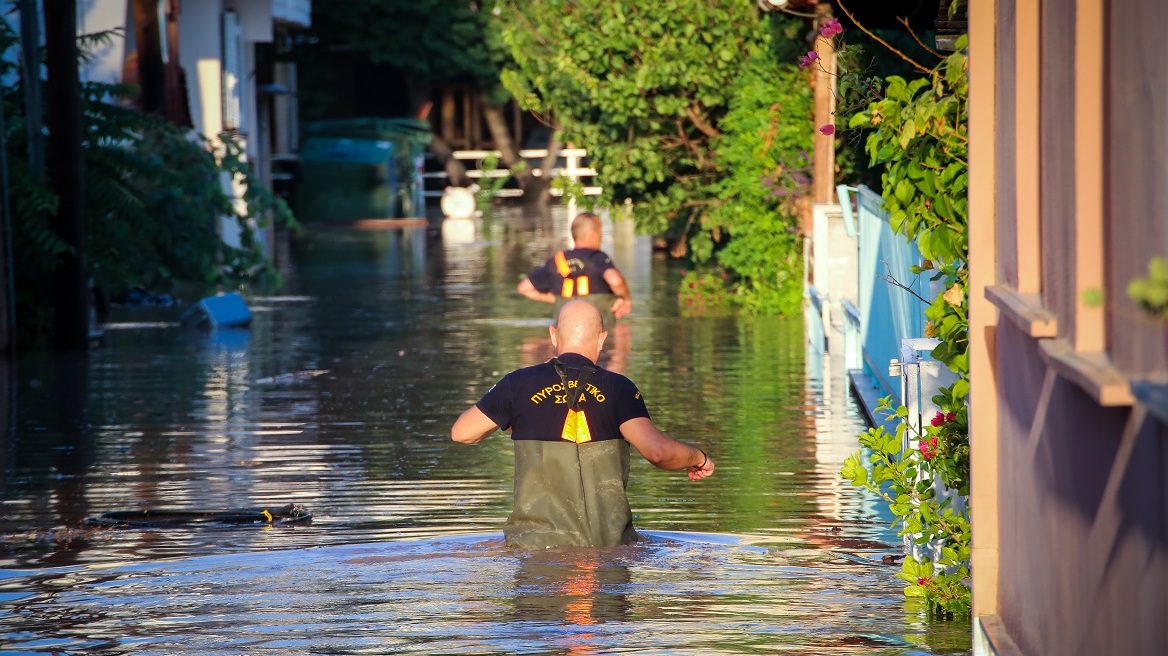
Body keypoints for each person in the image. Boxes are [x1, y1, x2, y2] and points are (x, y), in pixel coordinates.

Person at [451, 300, 715, 549]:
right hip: (606, 552)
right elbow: (658, 452)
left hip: (533, 552)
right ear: (602, 338)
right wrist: (697, 457)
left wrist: (516, 416)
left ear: (553, 335)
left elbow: (462, 433)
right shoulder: (619, 388)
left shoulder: (518, 384)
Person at [517, 212, 633, 328]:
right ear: (593, 234)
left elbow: (524, 288)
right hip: (598, 329)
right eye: (600, 233)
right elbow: (615, 280)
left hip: (565, 328)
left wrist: (557, 300)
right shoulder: (597, 257)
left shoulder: (556, 260)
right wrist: (625, 299)